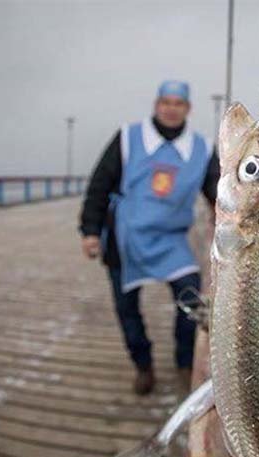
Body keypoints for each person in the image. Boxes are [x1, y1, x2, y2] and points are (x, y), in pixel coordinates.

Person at [79, 80, 219, 395]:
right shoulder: (129, 137)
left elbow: (217, 190)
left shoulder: (203, 148)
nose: (171, 108)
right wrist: (89, 231)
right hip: (124, 238)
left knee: (190, 301)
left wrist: (225, 217)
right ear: (156, 105)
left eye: (178, 103)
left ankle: (184, 363)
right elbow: (100, 184)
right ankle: (143, 366)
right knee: (127, 309)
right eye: (165, 102)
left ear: (188, 109)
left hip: (171, 239)